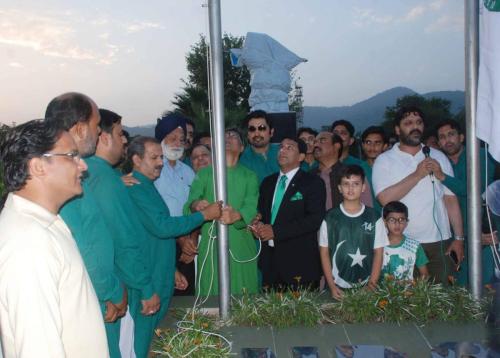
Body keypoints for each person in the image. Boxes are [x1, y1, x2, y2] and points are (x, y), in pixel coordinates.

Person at [0, 120, 108, 357]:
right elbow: (37, 348)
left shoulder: (43, 223)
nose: (83, 166)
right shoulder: (28, 242)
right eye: (72, 156)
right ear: (38, 166)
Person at [45, 93, 127, 358]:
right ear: (80, 128)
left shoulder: (74, 171)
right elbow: (82, 245)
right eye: (96, 123)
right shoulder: (60, 179)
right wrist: (110, 292)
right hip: (91, 301)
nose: (99, 130)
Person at [125, 136, 221, 357]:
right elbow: (162, 227)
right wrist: (204, 215)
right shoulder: (136, 188)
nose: (160, 162)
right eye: (154, 157)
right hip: (148, 277)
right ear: (136, 159)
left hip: (160, 272)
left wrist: (172, 269)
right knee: (143, 341)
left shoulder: (146, 185)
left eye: (161, 156)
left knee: (152, 338)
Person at [86, 109, 160, 357]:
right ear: (103, 137)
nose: (125, 140)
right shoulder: (105, 178)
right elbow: (123, 239)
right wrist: (146, 288)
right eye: (119, 133)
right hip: (113, 288)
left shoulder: (96, 174)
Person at [372, 106, 464, 285]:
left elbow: (450, 200)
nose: (415, 126)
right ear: (398, 129)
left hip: (439, 242)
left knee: (443, 300)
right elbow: (384, 199)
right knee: (406, 303)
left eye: (419, 122)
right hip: (401, 242)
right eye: (408, 123)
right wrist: (417, 175)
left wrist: (459, 238)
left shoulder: (438, 156)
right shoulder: (384, 160)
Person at [185, 128, 259, 296]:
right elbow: (190, 202)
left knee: (243, 295)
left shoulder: (249, 176)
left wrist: (237, 216)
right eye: (224, 135)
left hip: (241, 244)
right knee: (211, 293)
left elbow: (251, 206)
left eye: (233, 136)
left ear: (241, 148)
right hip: (212, 243)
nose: (228, 137)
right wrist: (196, 205)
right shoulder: (204, 174)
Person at [251, 137, 326, 290]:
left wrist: (275, 231)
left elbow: (314, 219)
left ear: (301, 157)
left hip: (300, 264)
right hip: (270, 264)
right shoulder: (267, 182)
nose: (282, 150)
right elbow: (263, 214)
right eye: (281, 147)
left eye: (289, 147)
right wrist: (257, 224)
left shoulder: (312, 182)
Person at [434, 118, 497, 285]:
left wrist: (442, 176)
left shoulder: (481, 156)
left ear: (461, 137)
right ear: (438, 143)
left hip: (485, 235)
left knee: (485, 288)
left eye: (451, 134)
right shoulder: (442, 162)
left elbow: (474, 191)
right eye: (442, 137)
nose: (447, 140)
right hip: (458, 237)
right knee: (459, 287)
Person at [153, 113, 198, 295]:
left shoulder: (188, 172)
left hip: (188, 244)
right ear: (161, 140)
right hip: (162, 242)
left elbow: (195, 207)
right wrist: (182, 240)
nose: (178, 143)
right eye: (172, 138)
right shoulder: (152, 169)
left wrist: (192, 242)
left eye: (181, 139)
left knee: (187, 296)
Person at [319, 165, 378, 299]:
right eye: (346, 184)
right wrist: (332, 287)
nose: (351, 188)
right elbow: (324, 253)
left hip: (367, 287)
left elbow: (379, 252)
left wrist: (372, 285)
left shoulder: (374, 216)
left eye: (356, 184)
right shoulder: (329, 218)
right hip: (336, 287)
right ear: (339, 188)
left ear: (363, 187)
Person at [372, 201, 429, 281]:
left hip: (408, 292)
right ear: (385, 222)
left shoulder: (414, 246)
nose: (397, 224)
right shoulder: (378, 245)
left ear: (407, 222)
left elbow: (425, 275)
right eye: (392, 220)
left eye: (401, 220)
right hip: (381, 292)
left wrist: (411, 285)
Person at [332, 119, 373, 207]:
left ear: (351, 140)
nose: (338, 136)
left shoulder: (360, 165)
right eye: (335, 133)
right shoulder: (320, 166)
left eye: (343, 133)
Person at [240, 110, 280, 183]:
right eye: (252, 129)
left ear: (271, 132)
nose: (257, 133)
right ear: (248, 134)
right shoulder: (242, 159)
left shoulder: (283, 152)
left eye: (262, 128)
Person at [312, 131, 345, 210]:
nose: (316, 145)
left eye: (322, 140)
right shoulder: (308, 177)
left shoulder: (351, 174)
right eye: (315, 142)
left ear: (337, 146)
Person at [361, 126, 388, 213]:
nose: (372, 147)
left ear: (385, 146)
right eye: (368, 142)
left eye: (377, 143)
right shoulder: (357, 170)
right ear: (363, 145)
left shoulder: (392, 169)